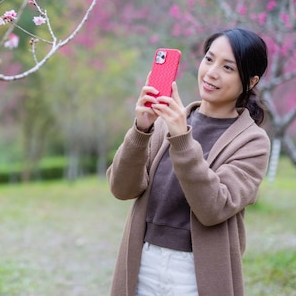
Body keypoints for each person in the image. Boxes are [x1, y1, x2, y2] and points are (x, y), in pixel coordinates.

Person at [107, 27, 271, 296]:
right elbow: (121, 189)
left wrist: (181, 138)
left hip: (197, 273)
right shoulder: (164, 123)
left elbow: (213, 207)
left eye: (228, 67)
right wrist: (141, 129)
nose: (211, 73)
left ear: (251, 81)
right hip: (143, 263)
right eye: (209, 59)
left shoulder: (252, 141)